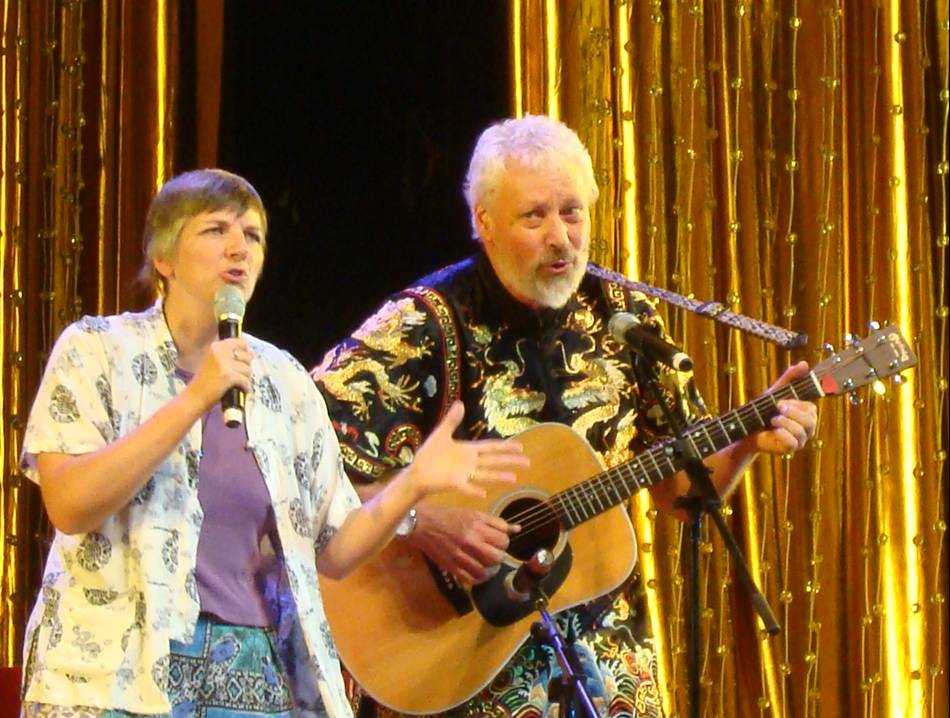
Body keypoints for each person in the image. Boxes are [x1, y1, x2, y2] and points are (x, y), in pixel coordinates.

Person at [312, 115, 818, 718]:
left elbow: (685, 491)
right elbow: (299, 462)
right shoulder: (424, 325)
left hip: (605, 659)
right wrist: (417, 519)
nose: (561, 237)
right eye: (536, 217)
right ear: (486, 224)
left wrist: (748, 441)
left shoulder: (624, 320)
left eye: (572, 213)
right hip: (464, 670)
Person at [18, 169, 526, 718]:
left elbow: (336, 548)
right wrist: (194, 400)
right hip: (111, 676)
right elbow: (69, 505)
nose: (239, 248)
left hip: (248, 676)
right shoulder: (96, 351)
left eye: (253, 236)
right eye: (215, 230)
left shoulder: (283, 382)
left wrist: (413, 484)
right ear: (164, 258)